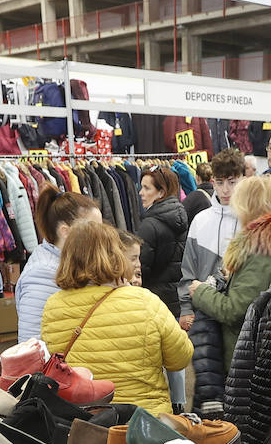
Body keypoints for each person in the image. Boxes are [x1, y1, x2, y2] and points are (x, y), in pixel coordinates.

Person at [40, 222, 192, 414]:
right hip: (143, 421)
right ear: (115, 256)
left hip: (83, 423)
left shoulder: (53, 307)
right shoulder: (144, 301)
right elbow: (181, 358)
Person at [191, 176, 271, 369]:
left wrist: (200, 291)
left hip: (245, 361)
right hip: (262, 357)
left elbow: (235, 310)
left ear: (252, 209)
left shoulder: (264, 255)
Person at [14, 187, 100, 342]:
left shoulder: (77, 260)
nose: (102, 236)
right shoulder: (41, 275)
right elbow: (32, 345)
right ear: (65, 231)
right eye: (93, 229)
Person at [178, 147, 246, 329]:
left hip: (238, 316)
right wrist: (186, 308)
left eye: (232, 182)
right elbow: (188, 268)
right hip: (203, 313)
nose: (225, 190)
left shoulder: (249, 222)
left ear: (242, 180)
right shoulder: (201, 220)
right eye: (220, 182)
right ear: (213, 182)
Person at [137, 166, 188, 318]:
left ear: (161, 192)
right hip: (176, 301)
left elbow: (142, 268)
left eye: (147, 188)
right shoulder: (180, 216)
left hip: (155, 303)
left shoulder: (150, 225)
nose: (141, 193)